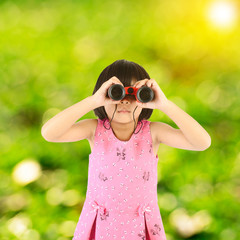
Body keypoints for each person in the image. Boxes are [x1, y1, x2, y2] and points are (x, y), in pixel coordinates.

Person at [41, 59, 211, 240]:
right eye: (116, 93)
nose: (124, 102)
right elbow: (50, 133)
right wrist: (93, 101)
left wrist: (165, 104)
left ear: (146, 97)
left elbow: (201, 142)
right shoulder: (94, 129)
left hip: (141, 226)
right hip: (101, 226)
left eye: (134, 95)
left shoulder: (153, 132)